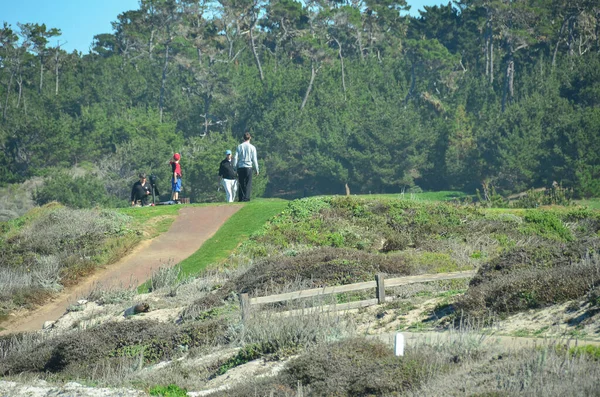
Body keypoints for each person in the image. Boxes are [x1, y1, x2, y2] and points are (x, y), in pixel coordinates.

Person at [234, 132, 259, 202]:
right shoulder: (252, 147)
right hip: (248, 167)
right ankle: (247, 198)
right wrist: (257, 169)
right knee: (248, 184)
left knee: (241, 183)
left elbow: (236, 158)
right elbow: (254, 159)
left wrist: (235, 168)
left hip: (241, 167)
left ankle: (241, 198)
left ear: (243, 138)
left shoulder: (239, 146)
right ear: (250, 138)